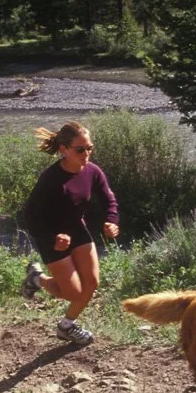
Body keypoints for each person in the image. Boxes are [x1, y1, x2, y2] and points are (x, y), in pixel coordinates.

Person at [21, 121, 119, 347]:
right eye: (80, 149)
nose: (86, 153)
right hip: (52, 239)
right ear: (64, 150)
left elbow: (109, 200)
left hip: (78, 230)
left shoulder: (93, 171)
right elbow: (30, 215)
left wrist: (112, 221)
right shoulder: (51, 178)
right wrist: (51, 238)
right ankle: (37, 279)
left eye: (90, 148)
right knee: (73, 293)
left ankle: (66, 326)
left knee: (91, 283)